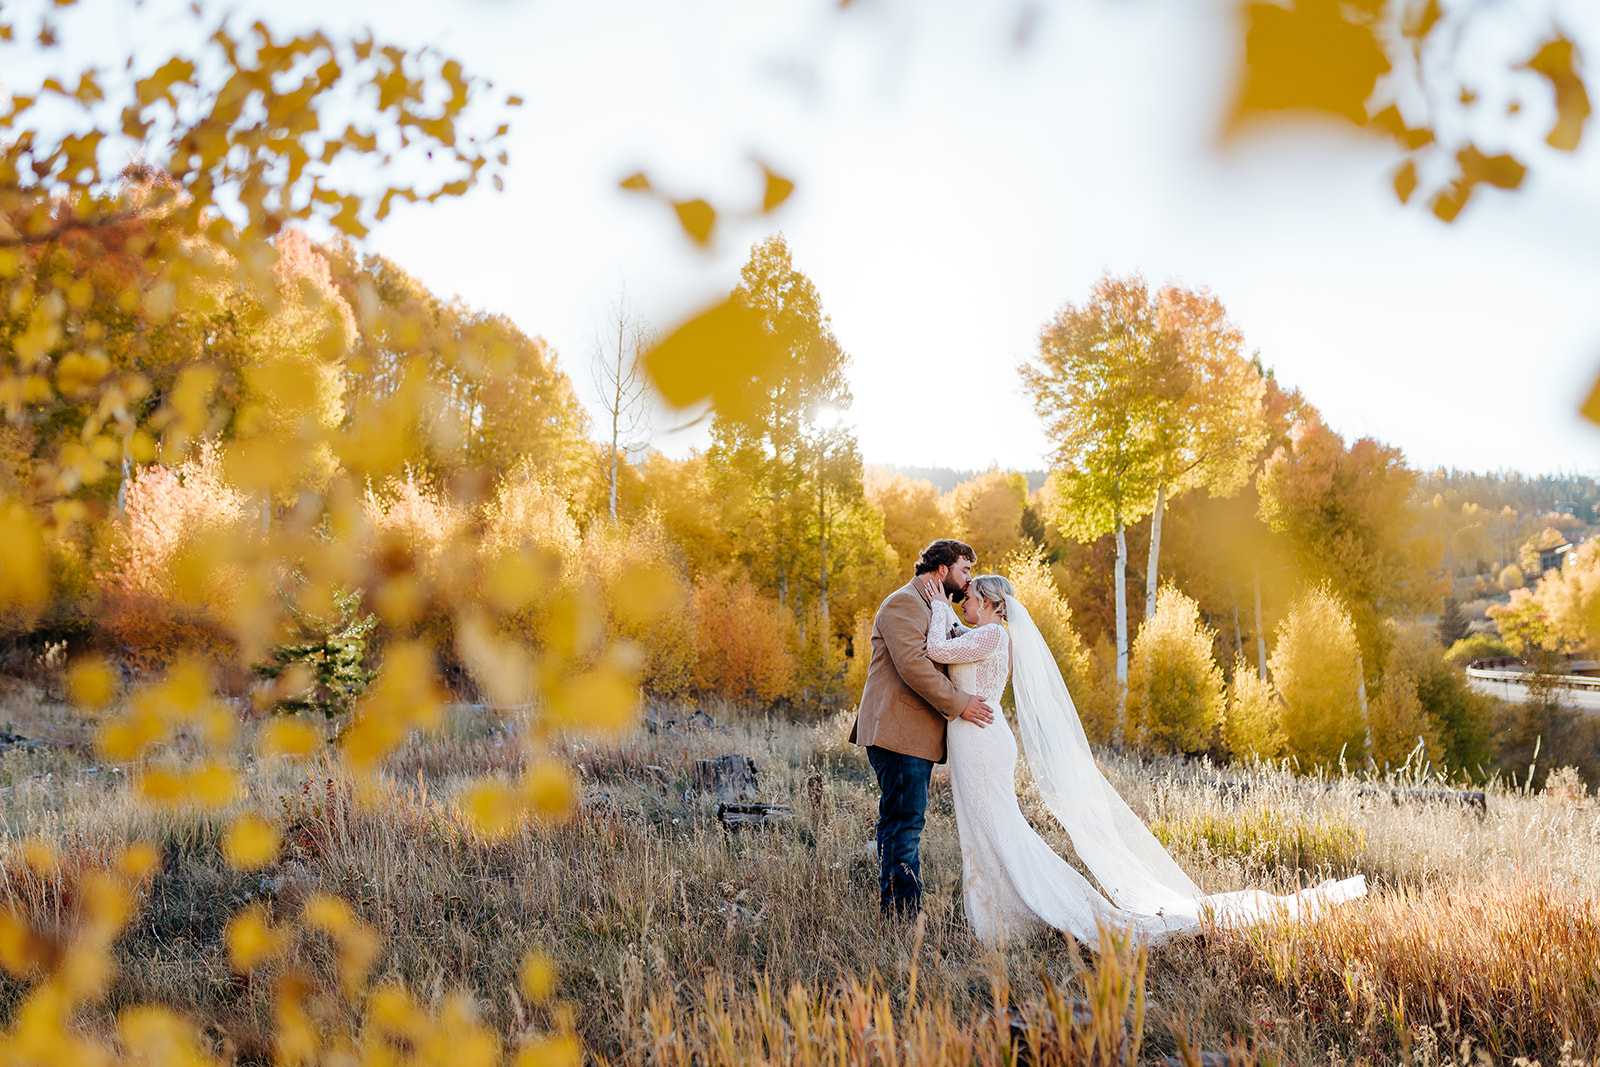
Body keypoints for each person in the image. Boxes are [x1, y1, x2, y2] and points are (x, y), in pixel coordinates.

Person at [921, 572, 1366, 946]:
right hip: (974, 740)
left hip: (981, 741)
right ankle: (1002, 916)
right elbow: (954, 645)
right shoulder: (984, 635)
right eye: (961, 601)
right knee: (983, 831)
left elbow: (939, 649)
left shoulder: (994, 635)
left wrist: (937, 606)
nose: (963, 605)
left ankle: (1034, 912)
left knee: (999, 829)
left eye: (970, 599)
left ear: (990, 601)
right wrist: (947, 616)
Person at [849, 539, 996, 919]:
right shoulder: (903, 603)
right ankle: (902, 913)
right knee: (905, 821)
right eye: (965, 570)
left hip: (913, 734)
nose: (969, 580)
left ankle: (897, 906)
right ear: (942, 570)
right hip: (897, 732)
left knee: (900, 819)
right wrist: (960, 703)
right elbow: (914, 666)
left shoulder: (934, 606)